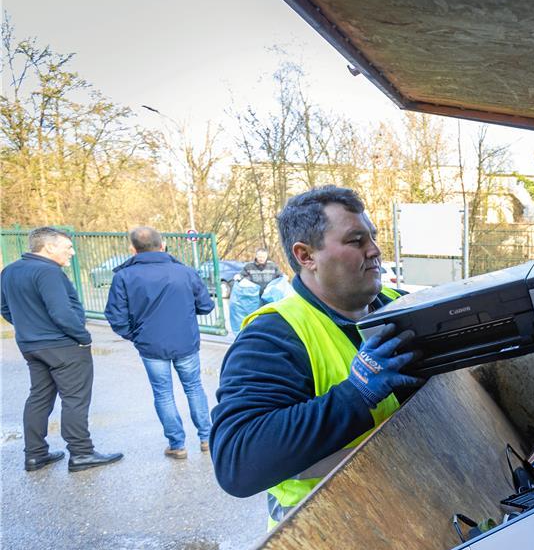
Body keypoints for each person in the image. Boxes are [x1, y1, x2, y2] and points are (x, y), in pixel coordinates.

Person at [211, 185, 422, 528]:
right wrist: (357, 394)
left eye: (373, 236)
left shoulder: (399, 305)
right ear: (306, 256)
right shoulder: (272, 336)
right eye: (356, 241)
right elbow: (237, 460)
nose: (375, 250)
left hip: (411, 504)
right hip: (324, 530)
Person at [0, 227, 124, 472]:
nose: (73, 253)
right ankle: (81, 453)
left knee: (39, 397)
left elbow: (5, 308)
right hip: (63, 346)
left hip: (31, 346)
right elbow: (61, 312)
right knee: (75, 399)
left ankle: (35, 455)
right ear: (48, 247)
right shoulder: (48, 272)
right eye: (67, 247)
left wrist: (30, 328)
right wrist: (83, 336)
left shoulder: (9, 271)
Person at [104, 226, 215, 459]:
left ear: (132, 249)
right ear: (162, 245)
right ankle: (207, 438)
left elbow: (116, 316)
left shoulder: (123, 276)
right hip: (186, 342)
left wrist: (136, 335)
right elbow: (206, 305)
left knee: (163, 394)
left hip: (151, 346)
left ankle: (177, 445)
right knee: (194, 388)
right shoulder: (184, 272)